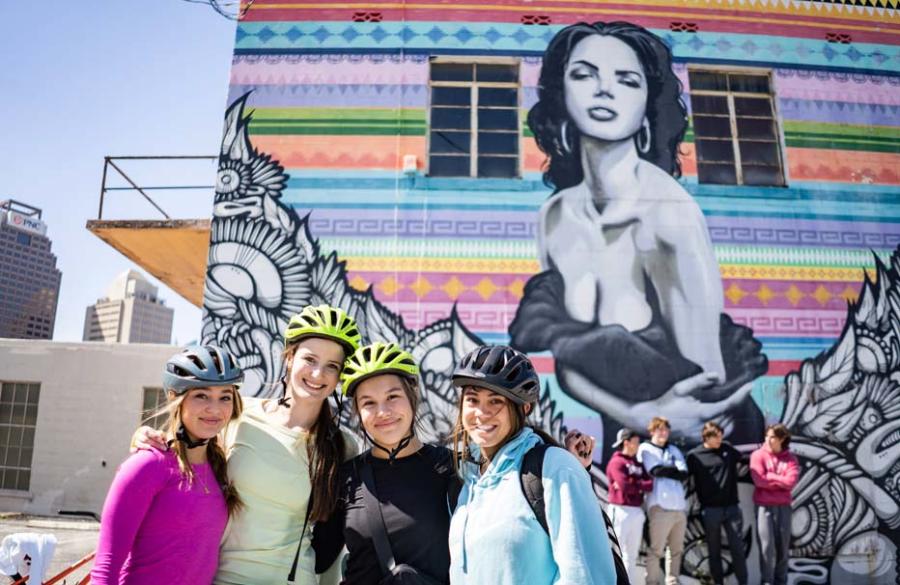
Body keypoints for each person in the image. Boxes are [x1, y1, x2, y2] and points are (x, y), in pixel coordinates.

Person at [510, 20, 767, 454]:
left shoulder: (668, 216)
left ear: (648, 101)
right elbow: (568, 361)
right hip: (626, 430)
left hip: (701, 439)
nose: (604, 90)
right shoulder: (555, 217)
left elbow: (706, 379)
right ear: (562, 92)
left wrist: (658, 421)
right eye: (584, 74)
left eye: (626, 80)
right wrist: (635, 416)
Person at [131, 304, 361, 585]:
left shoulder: (341, 444)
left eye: (331, 366)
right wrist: (144, 438)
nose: (317, 374)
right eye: (310, 359)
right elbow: (181, 459)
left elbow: (332, 542)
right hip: (218, 577)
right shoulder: (238, 415)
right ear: (289, 357)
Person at [448, 345, 616, 584]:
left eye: (496, 401)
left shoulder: (555, 469)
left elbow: (584, 576)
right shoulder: (466, 482)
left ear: (523, 408)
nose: (481, 413)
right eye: (472, 399)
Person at [92, 345, 244, 585]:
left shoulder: (221, 467)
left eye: (224, 397)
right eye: (201, 395)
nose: (215, 409)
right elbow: (105, 568)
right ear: (175, 397)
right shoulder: (147, 465)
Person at [313, 341, 461, 585]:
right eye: (368, 402)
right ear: (358, 412)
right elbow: (318, 558)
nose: (382, 411)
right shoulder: (345, 478)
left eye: (392, 397)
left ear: (413, 394)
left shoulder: (451, 469)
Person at [687, 421, 748, 585]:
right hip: (710, 511)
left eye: (721, 437)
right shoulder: (694, 456)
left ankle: (743, 582)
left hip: (732, 508)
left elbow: (745, 460)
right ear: (706, 437)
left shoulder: (727, 449)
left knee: (737, 549)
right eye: (716, 438)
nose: (719, 440)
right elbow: (685, 478)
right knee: (714, 551)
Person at [638, 416, 688, 585]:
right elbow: (655, 470)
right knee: (656, 550)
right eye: (659, 429)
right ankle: (652, 582)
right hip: (659, 507)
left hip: (679, 508)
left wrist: (667, 469)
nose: (663, 433)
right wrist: (671, 469)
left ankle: (672, 581)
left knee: (676, 550)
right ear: (652, 431)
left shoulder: (674, 449)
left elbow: (684, 473)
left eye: (666, 430)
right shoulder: (645, 448)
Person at [750, 424, 799, 585]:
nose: (768, 440)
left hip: (784, 507)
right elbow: (759, 480)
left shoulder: (790, 458)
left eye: (772, 437)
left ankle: (781, 581)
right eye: (767, 436)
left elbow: (790, 482)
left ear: (782, 439)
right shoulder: (758, 455)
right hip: (764, 507)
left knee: (782, 549)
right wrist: (780, 480)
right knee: (767, 548)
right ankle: (767, 581)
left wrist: (770, 476)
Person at [606, 427, 653, 583]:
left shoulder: (638, 463)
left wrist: (634, 483)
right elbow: (625, 486)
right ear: (627, 442)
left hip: (636, 511)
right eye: (636, 441)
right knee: (615, 552)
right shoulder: (616, 461)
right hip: (620, 510)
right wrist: (637, 485)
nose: (638, 444)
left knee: (631, 554)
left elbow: (650, 484)